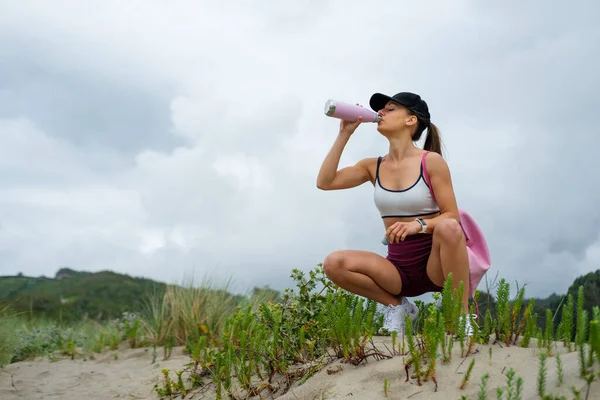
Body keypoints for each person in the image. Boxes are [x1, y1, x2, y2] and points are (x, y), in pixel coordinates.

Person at [316, 91, 474, 336]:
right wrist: (343, 135)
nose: (380, 113)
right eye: (381, 110)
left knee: (449, 227)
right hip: (398, 269)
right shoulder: (373, 166)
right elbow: (325, 182)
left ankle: (460, 318)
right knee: (333, 264)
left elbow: (452, 215)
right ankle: (399, 307)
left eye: (390, 109)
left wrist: (417, 225)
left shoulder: (430, 162)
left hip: (437, 265)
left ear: (411, 120)